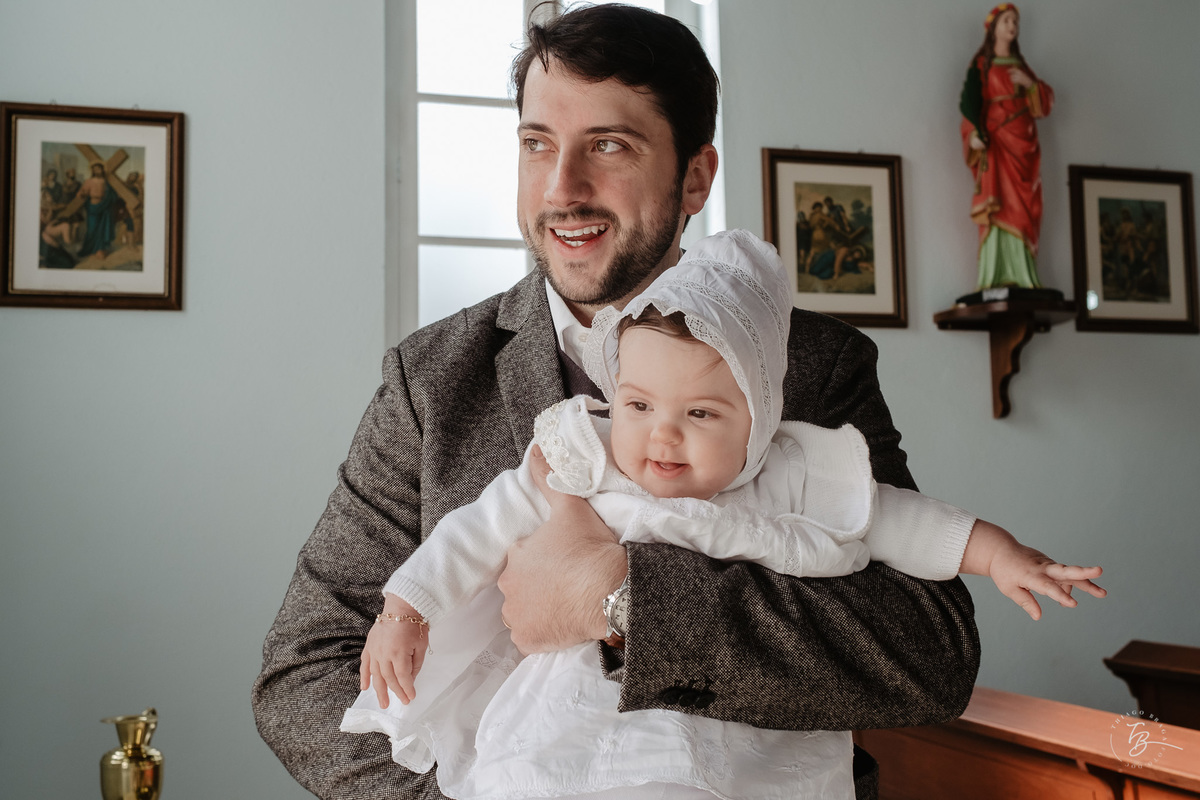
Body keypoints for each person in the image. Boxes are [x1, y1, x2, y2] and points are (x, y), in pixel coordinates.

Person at [253, 7, 983, 799]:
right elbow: (304, 670)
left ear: (695, 178)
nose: (562, 189)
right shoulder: (431, 380)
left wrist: (622, 602)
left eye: (609, 145)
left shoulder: (813, 364)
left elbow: (924, 652)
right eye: (537, 144)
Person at [340, 230, 1103, 800]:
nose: (660, 434)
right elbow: (473, 529)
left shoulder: (792, 475)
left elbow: (901, 523)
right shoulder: (586, 452)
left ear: (760, 419)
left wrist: (1004, 555)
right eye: (638, 404)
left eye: (700, 413)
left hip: (748, 749)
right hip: (576, 728)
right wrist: (408, 607)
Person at [959, 3, 1054, 290]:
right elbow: (970, 107)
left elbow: (1044, 105)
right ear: (993, 27)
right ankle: (994, 273)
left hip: (1022, 139)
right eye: (1006, 21)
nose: (1012, 26)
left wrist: (1031, 84)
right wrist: (974, 134)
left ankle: (1024, 273)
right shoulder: (981, 66)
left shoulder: (1021, 67)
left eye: (1015, 21)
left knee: (1024, 204)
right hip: (996, 143)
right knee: (997, 202)